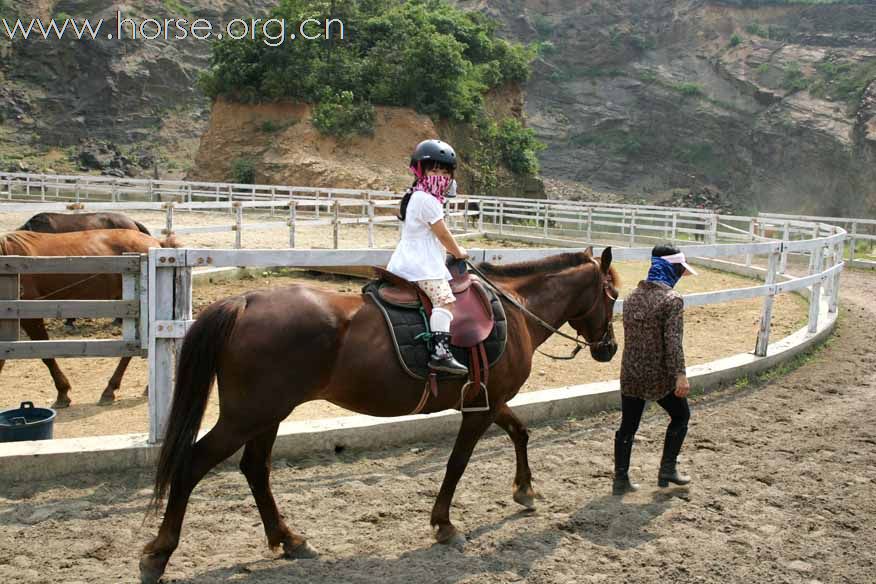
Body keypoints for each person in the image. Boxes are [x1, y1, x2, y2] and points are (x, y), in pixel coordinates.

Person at [613, 244, 698, 495]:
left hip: (630, 373)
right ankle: (667, 469)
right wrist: (680, 375)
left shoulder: (631, 297)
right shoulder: (672, 300)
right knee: (681, 416)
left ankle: (620, 479)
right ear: (671, 269)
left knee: (628, 426)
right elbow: (673, 342)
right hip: (658, 376)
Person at [387, 139, 469, 376]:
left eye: (445, 171)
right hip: (421, 265)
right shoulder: (428, 200)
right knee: (445, 300)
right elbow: (442, 233)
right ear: (421, 171)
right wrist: (458, 251)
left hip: (409, 259)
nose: (440, 175)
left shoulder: (418, 196)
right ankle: (441, 352)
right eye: (434, 169)